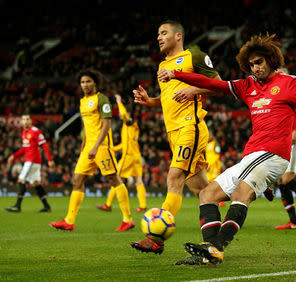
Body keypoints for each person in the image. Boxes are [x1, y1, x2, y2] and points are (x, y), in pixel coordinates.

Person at [158, 33, 296, 265]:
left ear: (271, 60)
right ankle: (209, 254)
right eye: (251, 64)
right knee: (207, 195)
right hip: (252, 155)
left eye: (259, 62)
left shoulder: (290, 83)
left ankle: (216, 246)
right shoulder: (248, 86)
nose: (255, 68)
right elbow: (214, 84)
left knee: (240, 192)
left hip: (273, 153)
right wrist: (177, 75)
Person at [132, 20, 221, 254]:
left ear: (178, 36)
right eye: (157, 34)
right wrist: (150, 101)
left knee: (174, 178)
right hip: (173, 132)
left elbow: (220, 85)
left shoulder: (195, 56)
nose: (159, 37)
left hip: (190, 127)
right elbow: (168, 100)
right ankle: (248, 185)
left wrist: (194, 90)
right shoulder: (162, 66)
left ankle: (155, 238)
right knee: (202, 189)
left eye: (164, 33)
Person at [50, 69, 134, 231]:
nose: (85, 85)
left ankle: (127, 219)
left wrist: (95, 146)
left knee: (113, 179)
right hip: (88, 148)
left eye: (88, 81)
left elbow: (106, 126)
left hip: (101, 146)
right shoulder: (82, 101)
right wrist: (84, 145)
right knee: (77, 180)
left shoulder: (102, 99)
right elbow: (87, 127)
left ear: (95, 82)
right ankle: (69, 220)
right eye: (82, 82)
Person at [97, 94, 147, 213]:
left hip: (129, 157)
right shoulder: (133, 126)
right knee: (138, 181)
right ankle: (143, 206)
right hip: (136, 156)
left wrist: (119, 102)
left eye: (121, 112)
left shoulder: (128, 123)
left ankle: (108, 204)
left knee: (115, 178)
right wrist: (112, 148)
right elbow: (125, 144)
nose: (120, 114)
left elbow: (124, 114)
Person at [5, 114, 54, 212]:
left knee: (21, 180)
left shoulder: (35, 131)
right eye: (23, 119)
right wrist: (13, 156)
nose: (25, 121)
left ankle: (17, 206)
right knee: (36, 183)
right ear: (21, 122)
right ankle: (47, 207)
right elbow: (24, 149)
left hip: (32, 161)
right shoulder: (24, 133)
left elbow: (44, 144)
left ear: (31, 121)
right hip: (32, 161)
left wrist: (49, 159)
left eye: (27, 119)